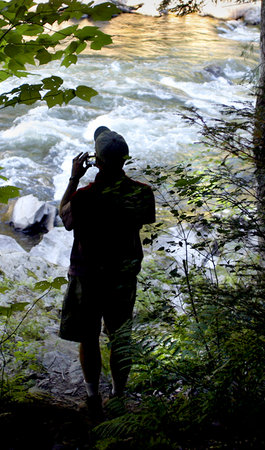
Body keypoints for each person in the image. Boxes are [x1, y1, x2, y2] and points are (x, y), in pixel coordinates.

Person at [58, 126, 156, 418]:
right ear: (125, 159)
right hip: (122, 277)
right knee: (119, 337)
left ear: (95, 161)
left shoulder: (84, 197)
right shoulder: (142, 192)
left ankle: (91, 397)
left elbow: (64, 215)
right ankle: (118, 396)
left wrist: (75, 177)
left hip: (86, 275)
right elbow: (144, 220)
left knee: (88, 337)